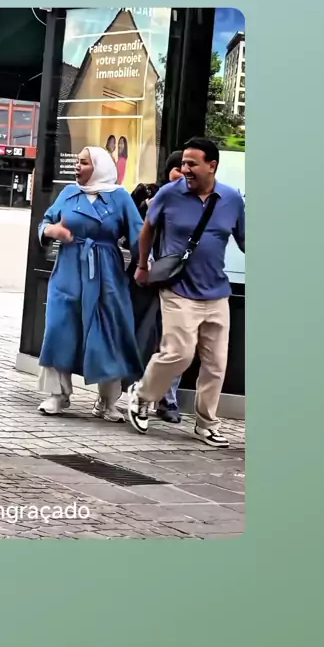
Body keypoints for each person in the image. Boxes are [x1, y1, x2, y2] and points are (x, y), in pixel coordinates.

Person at [127, 137, 245, 447]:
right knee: (178, 353)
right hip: (178, 289)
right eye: (183, 163)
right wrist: (142, 264)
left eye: (192, 164)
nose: (185, 169)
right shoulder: (169, 194)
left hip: (216, 293)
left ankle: (207, 423)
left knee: (216, 363)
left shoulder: (232, 199)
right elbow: (148, 229)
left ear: (212, 165)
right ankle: (142, 395)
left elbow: (245, 239)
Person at [37, 146, 144, 422]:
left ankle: (108, 401)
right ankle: (57, 394)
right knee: (59, 328)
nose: (77, 166)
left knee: (108, 331)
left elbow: (138, 233)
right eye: (77, 162)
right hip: (69, 269)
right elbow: (45, 222)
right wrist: (51, 231)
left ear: (99, 167)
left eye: (84, 163)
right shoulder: (68, 192)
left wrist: (146, 264)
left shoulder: (120, 196)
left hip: (106, 272)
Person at [128, 151, 184, 424]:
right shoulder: (151, 194)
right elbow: (133, 230)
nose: (183, 173)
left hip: (179, 279)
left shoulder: (196, 202)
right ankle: (138, 389)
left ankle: (166, 398)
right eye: (178, 168)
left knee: (176, 341)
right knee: (145, 336)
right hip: (148, 278)